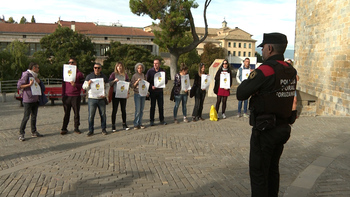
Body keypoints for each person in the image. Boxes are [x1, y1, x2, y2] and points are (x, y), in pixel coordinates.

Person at [236, 33, 298, 197]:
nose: (262, 51)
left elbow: (241, 93)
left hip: (265, 130)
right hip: (283, 128)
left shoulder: (266, 70)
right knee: (272, 171)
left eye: (263, 47)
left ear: (270, 48)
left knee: (259, 174)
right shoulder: (290, 70)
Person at [17, 62, 44, 141]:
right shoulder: (26, 74)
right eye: (38, 67)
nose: (39, 69)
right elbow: (19, 86)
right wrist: (29, 84)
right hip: (28, 99)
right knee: (26, 117)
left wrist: (39, 82)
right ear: (34, 68)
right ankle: (21, 133)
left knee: (34, 116)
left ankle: (34, 131)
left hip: (35, 99)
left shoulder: (35, 76)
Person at [83, 63, 109, 136]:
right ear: (93, 68)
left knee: (103, 114)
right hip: (92, 98)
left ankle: (103, 129)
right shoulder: (89, 76)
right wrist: (88, 83)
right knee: (91, 115)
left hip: (101, 98)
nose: (97, 69)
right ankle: (91, 130)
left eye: (98, 68)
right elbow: (84, 87)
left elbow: (107, 86)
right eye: (95, 68)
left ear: (101, 69)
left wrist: (105, 93)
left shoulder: (104, 77)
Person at [61, 58, 85, 135]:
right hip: (67, 96)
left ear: (75, 63)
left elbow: (83, 85)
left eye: (72, 62)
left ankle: (76, 128)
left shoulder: (79, 74)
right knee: (66, 113)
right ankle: (64, 128)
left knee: (76, 113)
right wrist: (63, 95)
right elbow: (63, 85)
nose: (70, 63)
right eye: (69, 62)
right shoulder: (66, 73)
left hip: (76, 96)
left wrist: (76, 85)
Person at [145, 59, 168, 126]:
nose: (155, 64)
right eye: (154, 63)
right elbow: (147, 81)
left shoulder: (162, 71)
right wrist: (151, 86)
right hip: (153, 91)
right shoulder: (150, 71)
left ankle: (162, 119)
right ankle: (152, 120)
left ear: (159, 64)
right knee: (152, 106)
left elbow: (166, 81)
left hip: (160, 91)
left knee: (161, 106)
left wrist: (162, 82)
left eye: (157, 63)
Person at [109, 62, 130, 131]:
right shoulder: (113, 74)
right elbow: (109, 83)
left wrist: (127, 93)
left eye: (120, 66)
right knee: (114, 110)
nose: (119, 68)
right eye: (118, 66)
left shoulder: (125, 75)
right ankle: (113, 125)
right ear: (116, 67)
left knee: (123, 109)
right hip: (115, 94)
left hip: (123, 94)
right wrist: (114, 81)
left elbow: (128, 84)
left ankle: (124, 124)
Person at [130, 63, 147, 129]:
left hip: (143, 94)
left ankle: (140, 123)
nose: (140, 69)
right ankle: (136, 124)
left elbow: (145, 85)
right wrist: (137, 81)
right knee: (137, 110)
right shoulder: (134, 76)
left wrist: (146, 92)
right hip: (137, 94)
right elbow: (132, 86)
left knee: (142, 109)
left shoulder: (144, 76)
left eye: (141, 68)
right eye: (138, 68)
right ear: (137, 69)